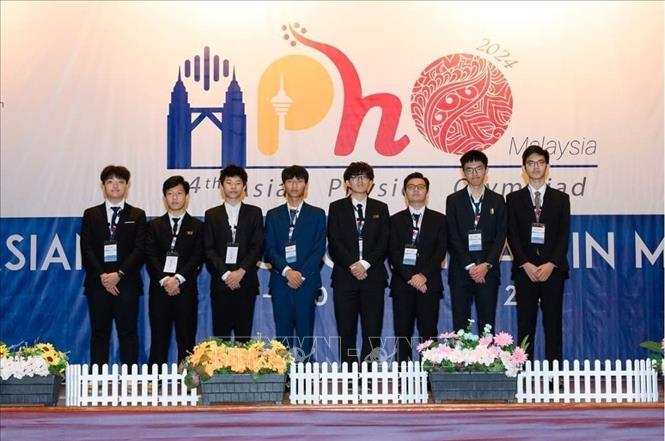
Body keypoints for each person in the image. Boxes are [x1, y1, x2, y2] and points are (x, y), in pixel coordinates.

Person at [506, 145, 570, 362]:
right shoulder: (513, 199)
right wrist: (525, 263)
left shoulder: (561, 198)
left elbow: (563, 235)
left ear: (547, 166)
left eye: (540, 163)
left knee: (553, 323)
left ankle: (554, 372)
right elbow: (512, 235)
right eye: (531, 163)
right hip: (526, 271)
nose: (536, 167)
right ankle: (525, 371)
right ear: (524, 168)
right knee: (525, 324)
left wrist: (551, 263)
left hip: (553, 271)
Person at [80, 165, 146, 367]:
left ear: (127, 185)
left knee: (128, 332)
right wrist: (103, 275)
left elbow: (139, 249)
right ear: (103, 186)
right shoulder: (91, 214)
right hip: (98, 284)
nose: (115, 186)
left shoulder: (137, 214)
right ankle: (98, 378)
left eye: (120, 181)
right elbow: (86, 248)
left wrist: (119, 274)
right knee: (99, 332)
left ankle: (130, 378)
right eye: (110, 181)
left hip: (127, 283)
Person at [327, 162, 390, 365]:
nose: (360, 180)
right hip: (345, 277)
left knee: (372, 329)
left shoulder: (381, 208)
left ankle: (369, 373)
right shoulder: (336, 208)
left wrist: (365, 264)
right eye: (355, 177)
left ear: (371, 183)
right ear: (347, 182)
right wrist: (353, 265)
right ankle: (349, 373)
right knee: (346, 329)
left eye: (364, 177)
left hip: (373, 277)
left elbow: (384, 241)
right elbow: (334, 242)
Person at [264, 166, 326, 362]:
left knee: (305, 333)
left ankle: (305, 374)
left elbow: (319, 249)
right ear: (283, 185)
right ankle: (283, 374)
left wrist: (300, 274)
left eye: (299, 181)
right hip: (281, 282)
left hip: (307, 282)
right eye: (290, 181)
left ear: (305, 185)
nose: (294, 185)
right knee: (282, 334)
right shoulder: (273, 215)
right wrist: (287, 271)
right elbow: (268, 249)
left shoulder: (317, 214)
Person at [446, 150, 507, 334]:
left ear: (486, 170)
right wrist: (471, 266)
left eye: (478, 168)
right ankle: (461, 354)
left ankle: (487, 354)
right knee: (460, 324)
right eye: (469, 169)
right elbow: (452, 236)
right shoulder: (453, 200)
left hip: (488, 272)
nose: (474, 173)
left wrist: (486, 265)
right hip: (461, 270)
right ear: (463, 172)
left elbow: (500, 237)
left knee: (487, 324)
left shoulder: (497, 200)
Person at [389, 172, 446, 363]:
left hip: (429, 285)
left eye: (420, 187)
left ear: (427, 192)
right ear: (404, 192)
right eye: (411, 187)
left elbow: (440, 251)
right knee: (402, 333)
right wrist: (411, 277)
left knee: (428, 333)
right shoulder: (394, 220)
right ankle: (403, 374)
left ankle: (429, 374)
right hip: (402, 284)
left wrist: (423, 276)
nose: (416, 190)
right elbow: (393, 253)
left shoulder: (439, 219)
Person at [145, 176, 203, 366]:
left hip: (186, 291)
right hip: (160, 291)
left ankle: (186, 379)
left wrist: (178, 279)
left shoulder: (197, 226)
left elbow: (197, 256)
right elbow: (150, 256)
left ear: (187, 196)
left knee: (186, 340)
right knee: (158, 339)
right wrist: (165, 280)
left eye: (179, 193)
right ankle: (156, 379)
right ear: (164, 198)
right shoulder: (153, 226)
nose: (175, 198)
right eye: (170, 194)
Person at [204, 165, 264, 343]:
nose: (233, 187)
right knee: (220, 339)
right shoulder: (212, 214)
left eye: (238, 183)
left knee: (243, 338)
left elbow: (257, 246)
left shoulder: (254, 212)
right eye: (229, 182)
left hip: (246, 282)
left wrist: (241, 271)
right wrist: (226, 274)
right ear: (221, 186)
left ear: (244, 186)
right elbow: (208, 249)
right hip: (221, 284)